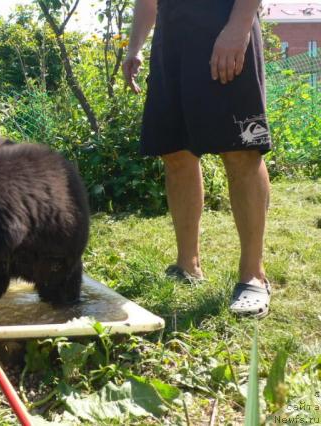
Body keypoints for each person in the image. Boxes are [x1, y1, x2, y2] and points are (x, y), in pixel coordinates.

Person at [123, 0, 272, 318]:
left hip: (224, 23)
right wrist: (135, 46)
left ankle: (252, 276)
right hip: (171, 36)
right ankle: (187, 265)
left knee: (240, 149)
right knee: (175, 152)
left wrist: (238, 27)